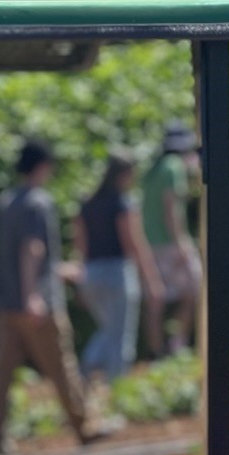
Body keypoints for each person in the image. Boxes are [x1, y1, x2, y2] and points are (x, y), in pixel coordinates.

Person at [0, 138, 98, 455]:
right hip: (38, 303)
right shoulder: (39, 203)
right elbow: (32, 250)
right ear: (44, 166)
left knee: (2, 375)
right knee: (62, 368)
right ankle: (84, 427)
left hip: (7, 304)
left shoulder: (6, 202)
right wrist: (32, 295)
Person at [72, 152, 162, 382]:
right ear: (125, 174)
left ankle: (88, 369)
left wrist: (80, 279)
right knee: (120, 335)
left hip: (91, 274)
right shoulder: (123, 203)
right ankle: (115, 385)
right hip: (117, 273)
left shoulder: (88, 203)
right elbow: (133, 243)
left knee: (108, 330)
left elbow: (80, 244)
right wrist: (151, 280)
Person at [139, 123, 202, 356]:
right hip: (168, 243)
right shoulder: (174, 167)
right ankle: (177, 345)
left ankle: (157, 352)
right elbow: (171, 208)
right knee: (195, 288)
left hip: (150, 244)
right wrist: (181, 243)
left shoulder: (153, 169)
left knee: (155, 302)